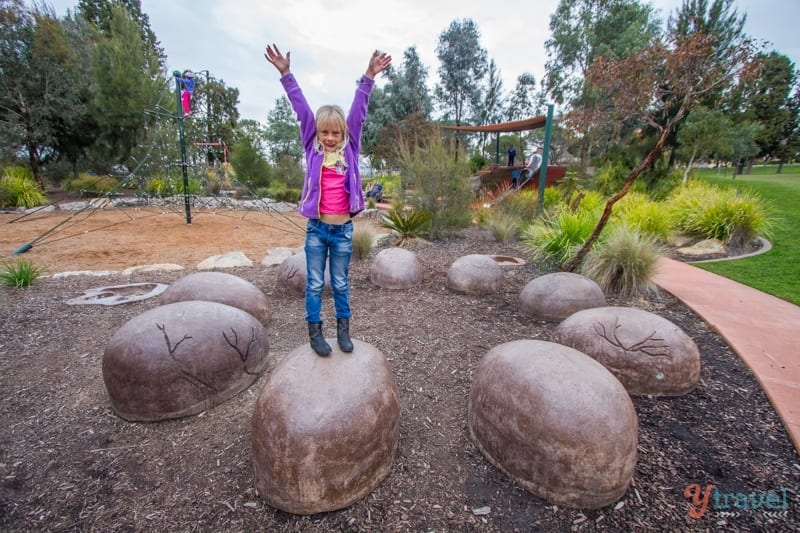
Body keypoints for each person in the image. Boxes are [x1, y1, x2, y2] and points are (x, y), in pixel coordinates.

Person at [264, 43, 392, 356]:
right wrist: (286, 74)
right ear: (318, 133)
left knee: (341, 283)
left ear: (343, 134)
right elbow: (301, 109)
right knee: (314, 284)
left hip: (343, 231)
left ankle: (344, 331)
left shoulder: (351, 148)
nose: (330, 137)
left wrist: (369, 75)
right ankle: (315, 334)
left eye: (336, 133)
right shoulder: (312, 147)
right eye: (325, 132)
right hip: (317, 230)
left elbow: (359, 111)